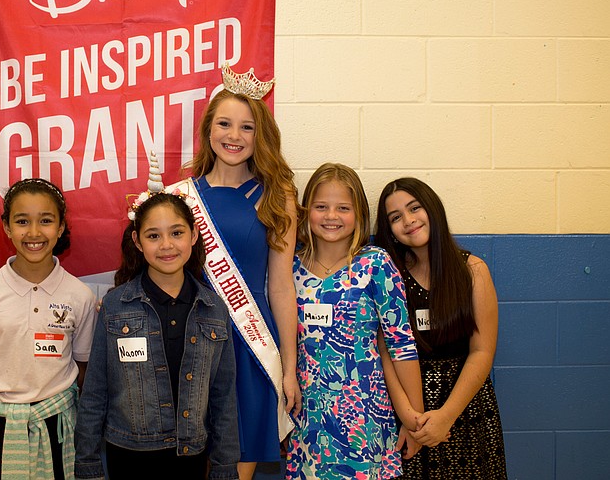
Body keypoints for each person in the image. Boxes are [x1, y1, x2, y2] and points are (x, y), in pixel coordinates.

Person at [168, 63, 301, 479]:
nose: (234, 136)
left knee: (238, 462)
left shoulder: (277, 197)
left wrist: (290, 368)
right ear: (209, 129)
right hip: (191, 335)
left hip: (250, 342)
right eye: (224, 123)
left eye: (247, 127)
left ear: (260, 135)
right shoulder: (179, 197)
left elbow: (281, 287)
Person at [74, 171, 240, 480]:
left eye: (176, 233)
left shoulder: (214, 308)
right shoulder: (115, 306)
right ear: (137, 241)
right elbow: (95, 391)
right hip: (129, 454)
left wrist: (225, 466)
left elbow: (224, 396)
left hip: (190, 456)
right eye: (154, 236)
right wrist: (87, 464)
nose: (166, 245)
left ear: (193, 235)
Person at [286, 164, 423, 480]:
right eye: (321, 207)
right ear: (307, 212)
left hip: (366, 420)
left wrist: (413, 420)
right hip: (306, 420)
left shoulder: (375, 264)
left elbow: (401, 345)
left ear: (359, 213)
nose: (331, 215)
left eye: (342, 208)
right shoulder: (288, 269)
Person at [0, 178, 98, 480]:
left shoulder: (80, 296)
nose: (34, 233)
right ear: (6, 227)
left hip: (56, 427)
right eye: (22, 221)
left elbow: (83, 369)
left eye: (46, 221)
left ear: (60, 228)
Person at [373, 177, 507, 479]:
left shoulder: (472, 271)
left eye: (414, 208)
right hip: (410, 413)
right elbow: (385, 352)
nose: (408, 221)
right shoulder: (389, 276)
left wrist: (446, 417)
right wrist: (411, 420)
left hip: (465, 410)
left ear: (432, 208)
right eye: (395, 217)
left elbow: (482, 351)